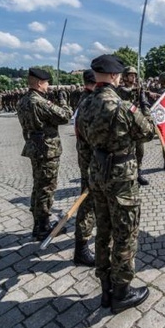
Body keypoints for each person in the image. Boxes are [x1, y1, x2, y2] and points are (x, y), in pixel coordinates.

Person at [76, 54, 155, 314]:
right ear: (112, 76)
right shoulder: (121, 107)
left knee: (104, 230)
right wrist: (143, 107)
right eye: (119, 75)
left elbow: (83, 142)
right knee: (125, 234)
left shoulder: (85, 104)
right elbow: (148, 132)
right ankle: (122, 291)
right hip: (121, 176)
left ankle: (105, 289)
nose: (121, 79)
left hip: (97, 174)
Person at [17, 68, 73, 240]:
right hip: (47, 150)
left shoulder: (24, 100)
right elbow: (65, 116)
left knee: (38, 186)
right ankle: (43, 227)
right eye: (47, 82)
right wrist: (63, 101)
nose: (48, 86)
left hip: (34, 148)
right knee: (46, 189)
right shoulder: (39, 102)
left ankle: (38, 223)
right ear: (40, 83)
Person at [73, 69, 97, 267]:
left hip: (89, 159)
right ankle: (81, 249)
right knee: (87, 203)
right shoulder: (88, 103)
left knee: (93, 202)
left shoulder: (86, 99)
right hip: (91, 162)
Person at [116, 66, 149, 186]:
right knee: (126, 151)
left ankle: (139, 172)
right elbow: (125, 92)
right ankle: (128, 174)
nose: (133, 77)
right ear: (124, 77)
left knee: (140, 150)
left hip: (137, 123)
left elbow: (143, 103)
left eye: (135, 75)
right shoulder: (120, 90)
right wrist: (136, 90)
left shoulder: (138, 89)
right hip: (125, 124)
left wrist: (143, 96)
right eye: (131, 75)